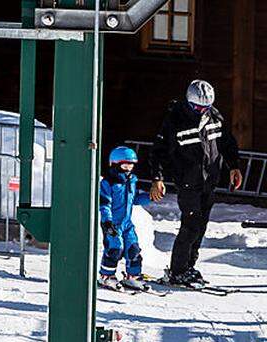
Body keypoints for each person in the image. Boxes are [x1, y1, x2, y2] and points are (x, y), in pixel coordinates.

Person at [150, 79, 242, 287]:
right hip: (188, 182)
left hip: (210, 180)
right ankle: (177, 270)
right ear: (189, 103)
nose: (202, 111)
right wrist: (158, 177)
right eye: (198, 107)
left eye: (205, 107)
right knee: (190, 226)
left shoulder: (214, 117)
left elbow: (227, 142)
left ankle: (190, 266)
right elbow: (158, 152)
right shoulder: (175, 120)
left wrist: (234, 166)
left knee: (201, 226)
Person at [97, 146, 151, 291]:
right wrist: (107, 222)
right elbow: (104, 204)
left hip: (127, 223)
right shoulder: (108, 183)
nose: (128, 169)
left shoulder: (131, 181)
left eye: (131, 165)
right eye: (125, 165)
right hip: (112, 224)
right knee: (115, 248)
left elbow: (135, 199)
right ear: (115, 164)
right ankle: (106, 276)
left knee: (133, 249)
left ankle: (132, 277)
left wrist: (150, 197)